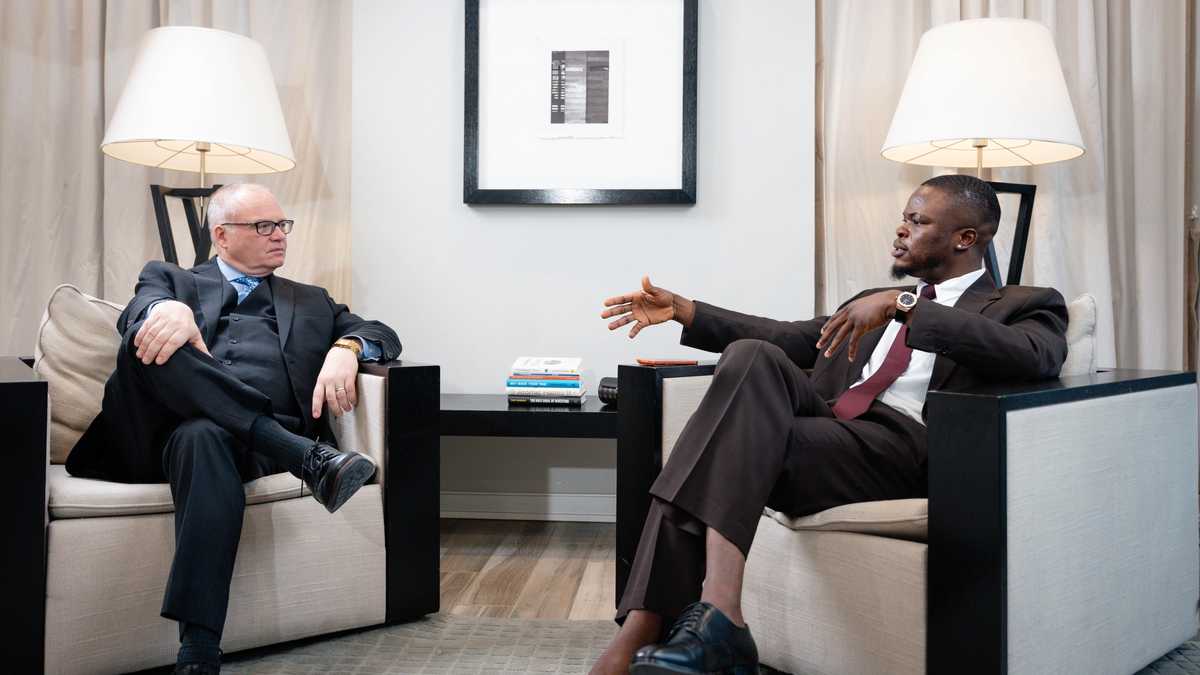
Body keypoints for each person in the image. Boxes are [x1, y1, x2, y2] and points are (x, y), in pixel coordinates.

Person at [591, 175, 1069, 675]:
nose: (901, 229)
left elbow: (1034, 355)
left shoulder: (1022, 304)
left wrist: (905, 306)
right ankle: (720, 613)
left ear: (964, 238)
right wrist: (686, 312)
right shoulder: (871, 300)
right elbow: (784, 336)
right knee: (752, 355)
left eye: (917, 221)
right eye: (904, 218)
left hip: (902, 451)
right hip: (829, 433)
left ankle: (641, 632)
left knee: (713, 443)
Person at [65, 183, 402, 674]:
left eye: (282, 225)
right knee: (150, 337)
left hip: (235, 449)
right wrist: (166, 310)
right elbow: (141, 309)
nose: (279, 235)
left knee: (203, 435)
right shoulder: (172, 278)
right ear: (221, 236)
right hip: (158, 435)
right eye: (263, 226)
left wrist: (346, 349)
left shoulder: (311, 300)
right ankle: (303, 457)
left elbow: (384, 335)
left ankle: (198, 651)